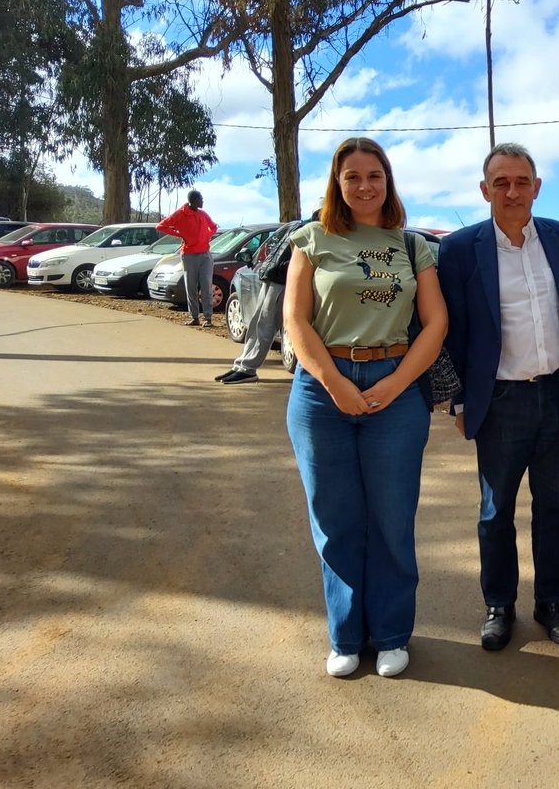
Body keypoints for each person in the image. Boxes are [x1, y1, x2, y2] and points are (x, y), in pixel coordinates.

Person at [284, 137, 447, 679]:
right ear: (337, 183)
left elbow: (436, 322)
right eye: (351, 176)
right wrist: (333, 383)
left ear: (387, 180)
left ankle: (394, 634)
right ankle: (347, 636)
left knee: (391, 518)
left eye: (373, 175)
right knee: (335, 520)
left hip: (393, 386)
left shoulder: (411, 244)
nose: (363, 185)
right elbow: (295, 321)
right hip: (320, 388)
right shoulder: (311, 239)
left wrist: (398, 383)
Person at [437, 143, 559, 652]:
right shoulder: (458, 250)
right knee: (495, 512)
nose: (512, 191)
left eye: (522, 181)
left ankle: (552, 602)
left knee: (556, 509)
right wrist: (457, 400)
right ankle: (499, 604)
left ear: (537, 187)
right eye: (501, 182)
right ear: (485, 191)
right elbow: (448, 330)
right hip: (500, 403)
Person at [215, 212, 317, 385]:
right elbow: (276, 250)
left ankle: (247, 368)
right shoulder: (298, 226)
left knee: (267, 324)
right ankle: (242, 366)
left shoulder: (315, 231)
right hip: (271, 277)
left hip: (284, 281)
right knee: (257, 322)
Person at [157, 189, 218, 327]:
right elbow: (161, 226)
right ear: (193, 201)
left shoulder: (202, 214)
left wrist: (206, 236)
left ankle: (208, 318)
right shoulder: (180, 214)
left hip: (205, 255)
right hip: (189, 255)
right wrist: (179, 233)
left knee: (207, 286)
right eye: (200, 199)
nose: (202, 202)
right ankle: (194, 317)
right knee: (191, 287)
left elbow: (214, 227)